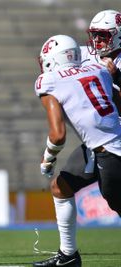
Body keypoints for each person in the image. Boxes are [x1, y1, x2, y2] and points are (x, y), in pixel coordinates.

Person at [32, 34, 121, 267]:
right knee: (61, 187)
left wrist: (48, 159)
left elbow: (58, 135)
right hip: (99, 145)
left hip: (110, 150)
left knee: (117, 202)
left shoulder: (48, 80)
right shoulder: (99, 70)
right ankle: (68, 256)